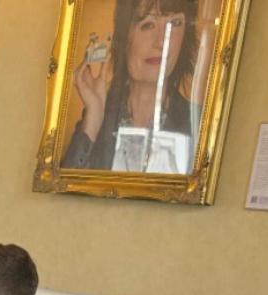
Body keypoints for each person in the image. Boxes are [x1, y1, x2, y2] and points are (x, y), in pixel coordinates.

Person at [63, 0, 200, 172]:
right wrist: (93, 118)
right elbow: (64, 189)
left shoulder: (197, 123)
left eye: (175, 23)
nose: (161, 42)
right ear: (124, 37)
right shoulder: (101, 116)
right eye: (148, 25)